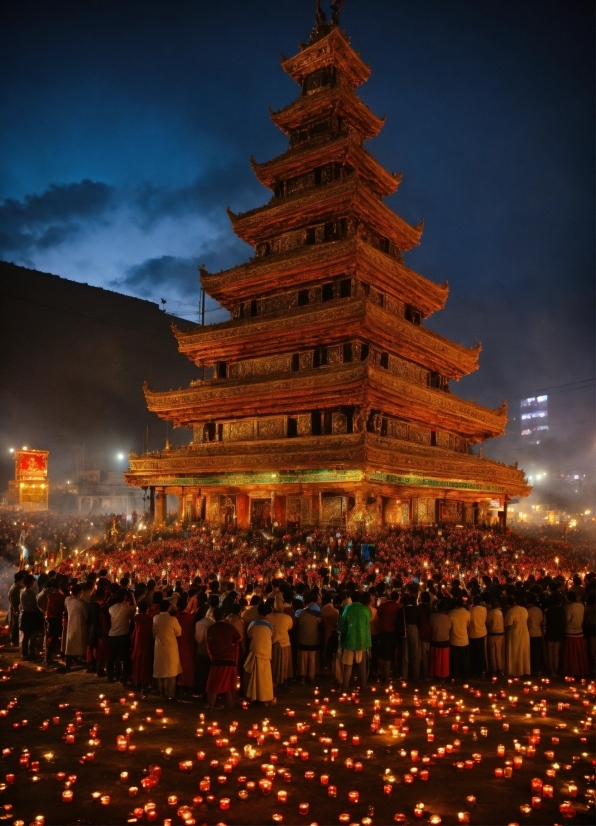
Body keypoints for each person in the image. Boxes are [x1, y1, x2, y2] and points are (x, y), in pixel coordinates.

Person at [205, 607, 241, 709]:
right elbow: (239, 638)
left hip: (216, 659)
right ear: (224, 616)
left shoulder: (211, 628)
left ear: (213, 617)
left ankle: (211, 704)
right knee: (229, 685)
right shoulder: (230, 627)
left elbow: (208, 643)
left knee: (214, 684)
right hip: (230, 658)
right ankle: (230, 704)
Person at [339, 591, 372, 691]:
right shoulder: (366, 609)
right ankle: (363, 686)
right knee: (362, 665)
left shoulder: (347, 608)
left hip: (350, 640)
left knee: (348, 665)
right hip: (362, 640)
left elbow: (343, 624)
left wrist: (343, 635)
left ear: (351, 598)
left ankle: (345, 686)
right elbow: (369, 621)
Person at [244, 603, 275, 705]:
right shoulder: (269, 625)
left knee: (254, 675)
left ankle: (252, 695)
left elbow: (249, 635)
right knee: (264, 676)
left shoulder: (253, 624)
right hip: (265, 652)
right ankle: (264, 697)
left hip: (255, 650)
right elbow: (272, 637)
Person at [153, 600, 182, 700]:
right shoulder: (172, 619)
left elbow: (154, 632)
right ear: (169, 608)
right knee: (171, 671)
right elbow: (179, 633)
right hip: (170, 647)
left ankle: (162, 692)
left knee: (160, 669)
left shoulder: (155, 618)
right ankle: (171, 694)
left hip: (159, 646)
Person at [107, 588, 135, 684]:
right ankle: (124, 676)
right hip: (123, 635)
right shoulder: (127, 608)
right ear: (124, 598)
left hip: (112, 635)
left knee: (111, 657)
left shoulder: (111, 608)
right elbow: (135, 608)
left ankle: (110, 675)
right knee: (125, 657)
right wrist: (133, 597)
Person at [268, 593, 294, 689]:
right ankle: (282, 681)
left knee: (274, 665)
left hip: (273, 643)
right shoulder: (287, 618)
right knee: (283, 665)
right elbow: (290, 627)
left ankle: (274, 681)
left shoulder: (269, 617)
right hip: (284, 644)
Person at [62, 584, 90, 672]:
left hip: (70, 624)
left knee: (70, 643)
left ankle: (73, 660)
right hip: (79, 624)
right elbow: (86, 615)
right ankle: (73, 660)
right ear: (80, 593)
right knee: (77, 643)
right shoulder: (81, 603)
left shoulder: (67, 600)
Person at [562, 592, 588, 678]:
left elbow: (566, 621)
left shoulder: (569, 608)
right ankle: (581, 670)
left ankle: (572, 670)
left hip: (570, 633)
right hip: (580, 631)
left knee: (571, 655)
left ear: (568, 598)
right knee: (579, 654)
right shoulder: (581, 606)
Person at [296, 597, 321, 684]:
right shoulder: (317, 615)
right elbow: (320, 624)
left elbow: (299, 624)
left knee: (303, 660)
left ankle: (302, 678)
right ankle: (311, 677)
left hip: (302, 639)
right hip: (314, 640)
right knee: (312, 660)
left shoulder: (302, 613)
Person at [504, 595, 530, 677]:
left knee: (515, 653)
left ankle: (515, 671)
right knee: (523, 652)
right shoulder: (524, 610)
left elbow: (508, 623)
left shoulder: (511, 611)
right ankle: (525, 670)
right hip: (525, 633)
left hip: (514, 634)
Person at [175, 596, 196, 697]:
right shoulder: (191, 617)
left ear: (177, 606)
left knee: (179, 664)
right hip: (189, 643)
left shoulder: (176, 618)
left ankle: (179, 686)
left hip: (179, 643)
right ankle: (188, 686)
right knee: (188, 665)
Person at [131, 601, 154, 692]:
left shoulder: (136, 618)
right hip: (147, 642)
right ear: (147, 609)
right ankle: (145, 683)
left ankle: (137, 682)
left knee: (137, 663)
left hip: (138, 642)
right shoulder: (150, 619)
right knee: (145, 664)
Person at [377, 591, 399, 682]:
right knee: (389, 655)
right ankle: (386, 676)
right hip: (392, 632)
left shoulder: (383, 605)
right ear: (397, 598)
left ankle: (381, 673)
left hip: (382, 631)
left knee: (382, 654)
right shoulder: (398, 606)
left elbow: (379, 614)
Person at [19, 574, 43, 660]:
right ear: (30, 583)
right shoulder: (30, 593)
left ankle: (24, 653)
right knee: (32, 635)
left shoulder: (22, 591)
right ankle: (31, 653)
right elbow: (34, 605)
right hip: (30, 615)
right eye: (33, 581)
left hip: (25, 614)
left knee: (26, 636)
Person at [448, 597, 470, 681]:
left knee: (455, 660)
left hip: (454, 639)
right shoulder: (467, 613)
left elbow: (449, 626)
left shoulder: (451, 613)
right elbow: (468, 624)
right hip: (464, 639)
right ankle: (465, 675)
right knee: (465, 659)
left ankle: (455, 676)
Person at [544, 592, 565, 677]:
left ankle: (551, 669)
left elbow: (545, 622)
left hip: (550, 632)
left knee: (549, 652)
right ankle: (555, 670)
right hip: (558, 633)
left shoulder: (548, 611)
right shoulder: (562, 611)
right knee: (556, 652)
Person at [429, 600, 451, 680]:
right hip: (445, 640)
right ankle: (443, 676)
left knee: (436, 659)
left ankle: (434, 674)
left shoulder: (432, 616)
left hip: (435, 639)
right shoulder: (448, 617)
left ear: (436, 608)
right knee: (444, 660)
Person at [468, 595, 488, 678]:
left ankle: (474, 671)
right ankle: (482, 671)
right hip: (481, 633)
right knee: (481, 653)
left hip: (472, 634)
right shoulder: (484, 610)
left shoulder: (471, 611)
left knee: (473, 654)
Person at [526, 593, 545, 676]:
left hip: (529, 634)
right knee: (537, 653)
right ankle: (537, 669)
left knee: (529, 653)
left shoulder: (526, 611)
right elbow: (543, 621)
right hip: (538, 633)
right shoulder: (539, 610)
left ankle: (529, 669)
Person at [486, 598, 505, 677]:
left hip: (492, 634)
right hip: (500, 634)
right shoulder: (500, 612)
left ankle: (494, 670)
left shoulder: (490, 613)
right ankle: (500, 670)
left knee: (492, 653)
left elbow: (487, 622)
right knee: (498, 653)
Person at [8, 572, 25, 647]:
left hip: (14, 607)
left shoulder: (12, 586)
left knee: (15, 624)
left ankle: (14, 640)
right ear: (20, 580)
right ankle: (15, 641)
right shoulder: (18, 588)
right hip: (17, 608)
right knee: (17, 625)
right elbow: (20, 600)